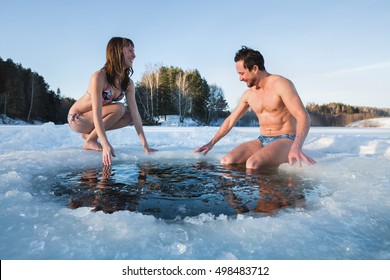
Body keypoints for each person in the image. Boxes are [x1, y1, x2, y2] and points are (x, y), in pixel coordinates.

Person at [195, 46, 315, 170]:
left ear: (255, 68)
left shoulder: (281, 84)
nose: (240, 78)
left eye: (242, 73)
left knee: (252, 164)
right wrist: (211, 143)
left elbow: (303, 116)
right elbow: (230, 121)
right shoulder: (249, 95)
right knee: (226, 161)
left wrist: (296, 146)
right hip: (262, 140)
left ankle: (273, 187)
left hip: (287, 140)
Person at [68, 37, 156, 165]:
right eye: (130, 51)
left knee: (130, 116)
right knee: (119, 108)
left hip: (94, 120)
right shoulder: (99, 77)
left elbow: (135, 114)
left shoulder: (128, 83)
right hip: (78, 119)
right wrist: (105, 143)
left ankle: (90, 136)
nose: (134, 55)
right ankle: (90, 141)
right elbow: (97, 112)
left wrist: (145, 145)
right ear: (117, 52)